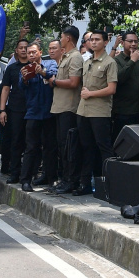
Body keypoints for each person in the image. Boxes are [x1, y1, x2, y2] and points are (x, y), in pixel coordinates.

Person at [75, 30, 117, 196]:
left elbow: (112, 89)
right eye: (91, 40)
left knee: (104, 148)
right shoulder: (87, 61)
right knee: (86, 148)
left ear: (106, 42)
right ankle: (84, 184)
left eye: (97, 40)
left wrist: (91, 94)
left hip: (100, 111)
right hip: (83, 110)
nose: (93, 42)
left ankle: (108, 185)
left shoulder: (109, 62)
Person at [48, 28, 85, 194]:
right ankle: (64, 178)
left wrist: (55, 82)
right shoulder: (67, 57)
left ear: (68, 38)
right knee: (62, 145)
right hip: (60, 107)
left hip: (69, 108)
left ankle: (71, 180)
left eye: (62, 37)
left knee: (69, 146)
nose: (60, 39)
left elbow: (73, 82)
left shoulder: (75, 57)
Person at [19, 43, 57, 192]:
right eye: (29, 53)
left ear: (40, 52)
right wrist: (25, 78)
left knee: (50, 147)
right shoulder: (24, 69)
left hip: (49, 112)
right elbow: (21, 86)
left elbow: (53, 76)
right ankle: (26, 180)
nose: (31, 55)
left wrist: (42, 72)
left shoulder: (50, 63)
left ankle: (51, 178)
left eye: (34, 52)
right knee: (31, 147)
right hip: (33, 113)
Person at [0, 39, 29, 183]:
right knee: (15, 141)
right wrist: (2, 110)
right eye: (21, 48)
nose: (23, 50)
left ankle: (29, 174)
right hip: (15, 109)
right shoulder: (11, 68)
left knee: (31, 142)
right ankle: (14, 173)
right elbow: (5, 89)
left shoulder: (36, 67)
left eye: (26, 48)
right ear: (16, 50)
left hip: (32, 108)